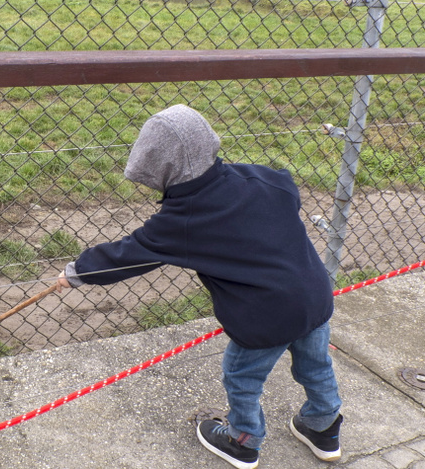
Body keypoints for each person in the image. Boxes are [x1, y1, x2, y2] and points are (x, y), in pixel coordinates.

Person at [54, 105, 342, 469]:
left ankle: (243, 441)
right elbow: (287, 187)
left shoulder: (184, 220)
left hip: (265, 317)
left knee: (241, 375)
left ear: (161, 170)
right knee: (315, 364)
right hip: (315, 297)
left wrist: (78, 272)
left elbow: (129, 254)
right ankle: (324, 425)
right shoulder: (265, 178)